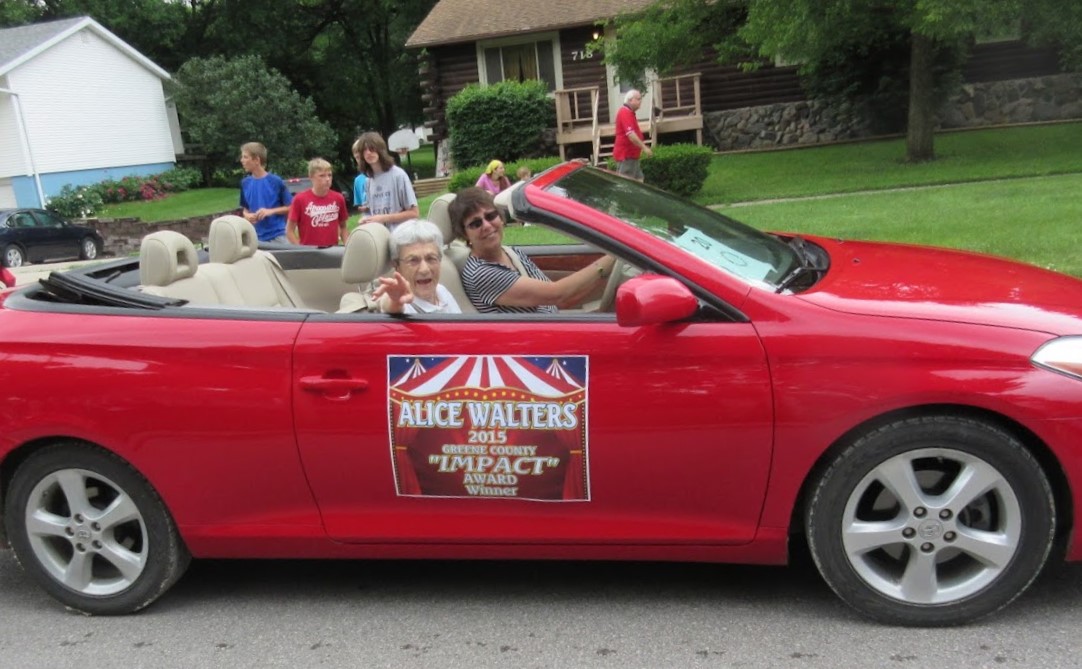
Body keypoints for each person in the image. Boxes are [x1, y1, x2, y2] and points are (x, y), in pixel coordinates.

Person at [449, 187, 616, 314]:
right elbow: (558, 294)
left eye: (491, 216)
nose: (486, 226)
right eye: (475, 224)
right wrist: (613, 257)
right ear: (465, 234)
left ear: (500, 217)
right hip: (532, 351)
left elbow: (556, 301)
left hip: (550, 330)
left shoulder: (510, 252)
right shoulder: (481, 273)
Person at [373, 219, 461, 314]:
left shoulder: (441, 291)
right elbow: (390, 306)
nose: (424, 269)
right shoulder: (404, 304)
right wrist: (395, 301)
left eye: (431, 258)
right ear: (397, 266)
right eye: (413, 260)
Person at [356, 132, 419, 231]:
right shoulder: (368, 181)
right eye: (364, 150)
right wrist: (366, 219)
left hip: (401, 235)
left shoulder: (398, 175)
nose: (368, 153)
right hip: (379, 236)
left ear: (380, 150)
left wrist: (384, 218)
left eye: (372, 148)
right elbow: (370, 212)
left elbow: (414, 213)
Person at [286, 158, 348, 247]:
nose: (327, 179)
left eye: (329, 175)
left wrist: (347, 245)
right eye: (322, 176)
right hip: (310, 252)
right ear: (311, 177)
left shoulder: (338, 198)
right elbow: (289, 230)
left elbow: (343, 226)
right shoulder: (300, 199)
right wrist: (300, 249)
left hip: (332, 250)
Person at [238, 142, 293, 243]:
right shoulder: (245, 183)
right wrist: (247, 215)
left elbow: (291, 207)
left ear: (257, 160)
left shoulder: (275, 181)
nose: (242, 160)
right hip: (255, 239)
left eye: (245, 157)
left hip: (278, 237)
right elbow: (245, 209)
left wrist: (270, 211)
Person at [613, 89, 653, 182]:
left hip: (632, 156)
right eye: (638, 99)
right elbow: (631, 135)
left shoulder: (630, 113)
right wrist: (644, 148)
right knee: (627, 184)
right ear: (630, 100)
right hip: (626, 155)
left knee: (639, 179)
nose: (640, 101)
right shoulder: (625, 112)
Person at [351, 137, 369, 215]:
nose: (361, 160)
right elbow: (360, 204)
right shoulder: (358, 180)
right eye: (357, 158)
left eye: (362, 156)